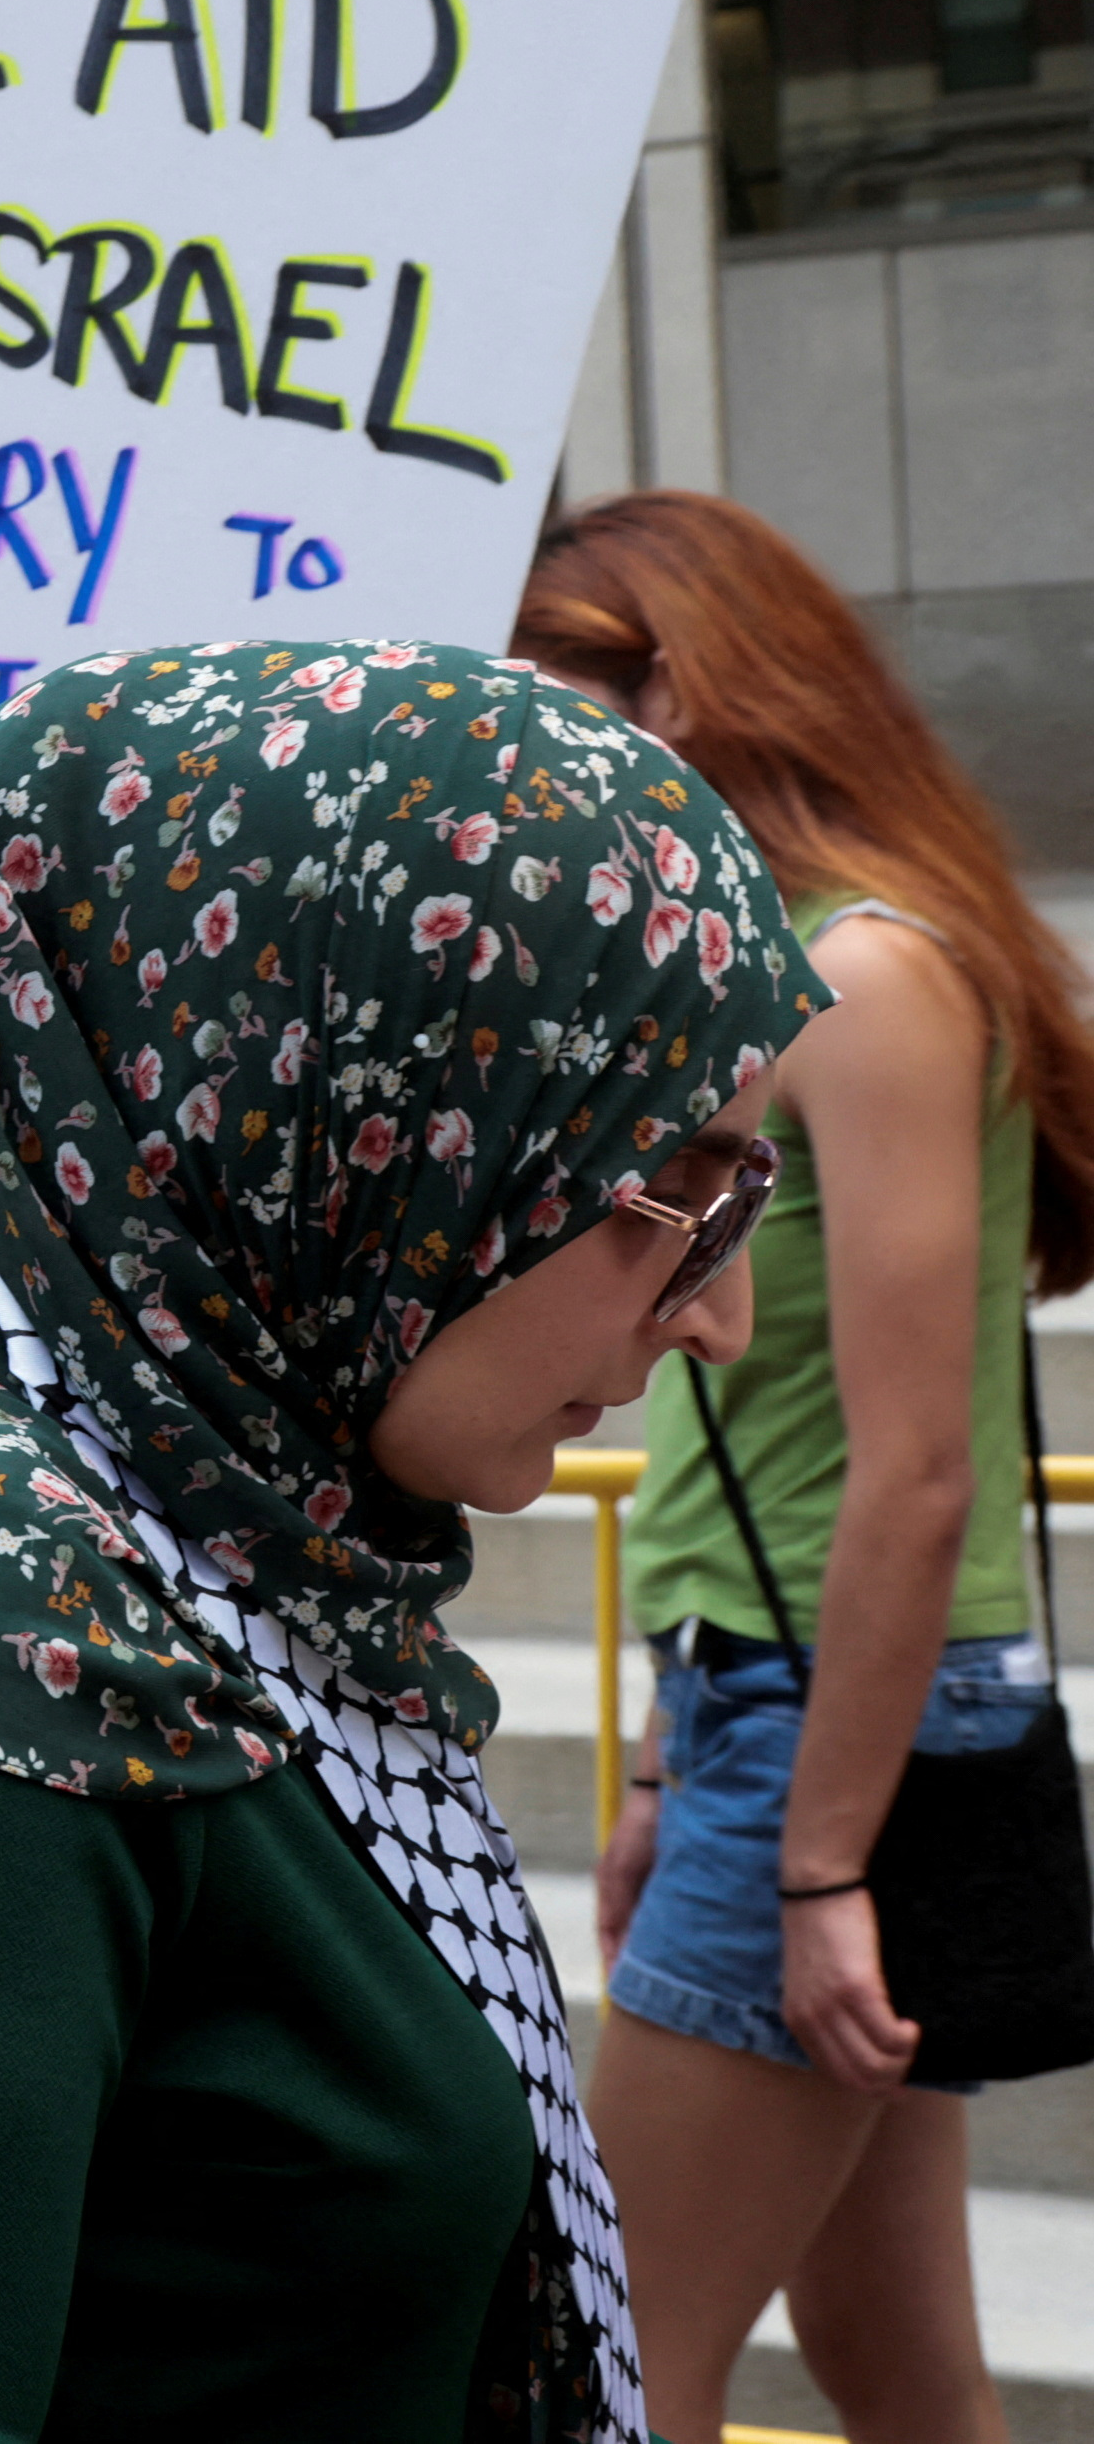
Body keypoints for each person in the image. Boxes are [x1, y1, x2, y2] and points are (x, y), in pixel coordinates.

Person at [0, 640, 826, 2443]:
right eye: (674, 1181)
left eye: (750, 1187)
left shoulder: (240, 1540)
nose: (722, 1312)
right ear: (353, 1115)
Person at [515, 492, 1094, 2444]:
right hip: (780, 1707)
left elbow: (918, 1468)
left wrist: (817, 1846)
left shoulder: (864, 972)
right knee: (887, 2353)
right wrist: (681, 1760)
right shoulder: (792, 959)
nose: (528, 757)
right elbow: (741, 1429)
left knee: (605, 2358)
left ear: (669, 682)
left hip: (833, 1730)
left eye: (552, 700)